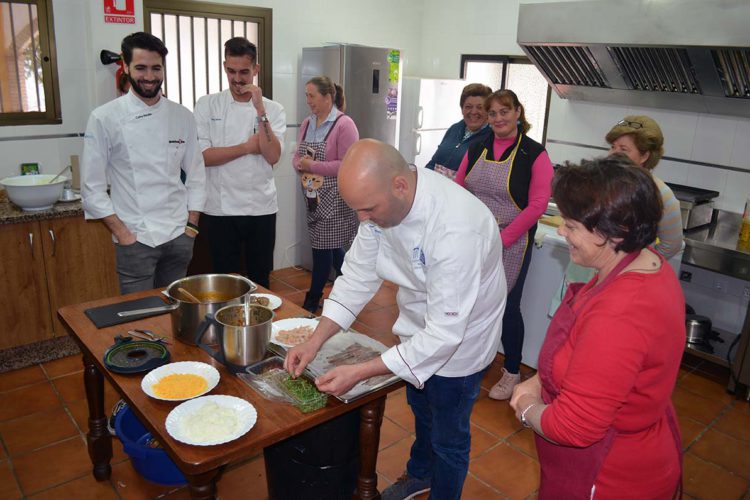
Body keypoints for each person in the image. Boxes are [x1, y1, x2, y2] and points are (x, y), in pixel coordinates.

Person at [284, 139, 507, 500]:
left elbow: (444, 334)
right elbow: (356, 277)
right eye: (357, 209)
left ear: (400, 186)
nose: (362, 219)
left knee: (449, 435)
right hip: (418, 322)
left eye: (368, 209)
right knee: (421, 409)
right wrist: (314, 340)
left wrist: (361, 372)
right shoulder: (381, 205)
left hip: (461, 339)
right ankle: (420, 474)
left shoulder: (457, 227)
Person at [510, 157, 684, 499]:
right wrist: (538, 380)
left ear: (614, 233)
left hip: (608, 475)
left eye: (571, 225)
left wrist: (526, 408)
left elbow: (574, 427)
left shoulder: (621, 313)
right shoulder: (641, 261)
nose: (561, 230)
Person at [81, 32, 205, 294]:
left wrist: (191, 227)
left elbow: (196, 175)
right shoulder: (104, 118)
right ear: (125, 66)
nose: (149, 76)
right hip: (136, 238)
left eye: (156, 68)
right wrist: (124, 235)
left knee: (176, 313)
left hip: (178, 236)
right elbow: (92, 188)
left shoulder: (182, 116)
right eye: (140, 67)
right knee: (139, 318)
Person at [454, 89, 554, 400]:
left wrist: (503, 239)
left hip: (511, 242)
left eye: (504, 112)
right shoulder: (477, 147)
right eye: (493, 113)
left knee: (507, 306)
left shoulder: (535, 155)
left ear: (518, 113)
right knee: (473, 300)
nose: (498, 118)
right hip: (476, 238)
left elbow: (537, 205)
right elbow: (458, 188)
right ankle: (473, 359)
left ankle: (512, 370)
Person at [549, 115, 684, 313]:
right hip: (582, 274)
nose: (614, 153)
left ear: (645, 155)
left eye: (624, 149)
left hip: (619, 281)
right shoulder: (598, 183)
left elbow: (671, 244)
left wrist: (632, 264)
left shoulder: (660, 194)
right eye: (613, 146)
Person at [193, 37, 285, 288]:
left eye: (244, 72)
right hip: (220, 210)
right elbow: (203, 157)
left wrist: (260, 111)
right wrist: (246, 147)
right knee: (224, 282)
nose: (237, 79)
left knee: (260, 280)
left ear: (256, 69)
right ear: (224, 66)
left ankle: (260, 326)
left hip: (261, 208)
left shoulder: (273, 110)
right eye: (231, 71)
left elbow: (273, 155)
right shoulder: (207, 104)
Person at [293, 76, 359, 313]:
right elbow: (296, 156)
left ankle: (312, 299)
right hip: (313, 196)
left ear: (327, 97)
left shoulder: (344, 124)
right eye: (306, 95)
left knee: (321, 248)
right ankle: (353, 288)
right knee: (330, 248)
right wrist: (299, 163)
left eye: (312, 95)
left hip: (335, 197)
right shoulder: (307, 123)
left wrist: (311, 166)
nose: (308, 100)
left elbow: (346, 165)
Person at [425, 83, 492, 178]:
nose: (473, 112)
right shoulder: (454, 128)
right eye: (468, 106)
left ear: (488, 111)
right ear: (462, 108)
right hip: (435, 187)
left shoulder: (491, 137)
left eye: (480, 107)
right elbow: (433, 163)